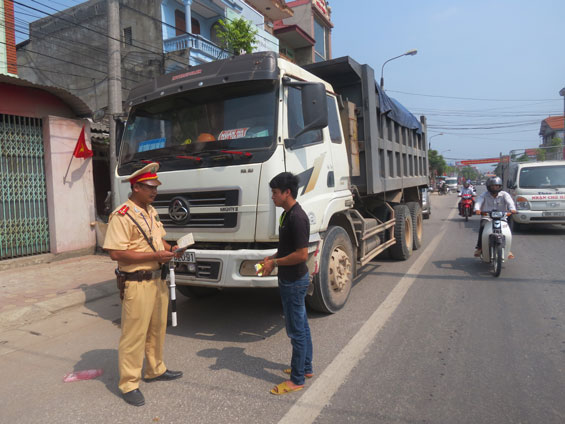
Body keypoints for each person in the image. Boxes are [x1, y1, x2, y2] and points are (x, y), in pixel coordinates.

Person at [103, 162, 183, 406]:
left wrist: (173, 249)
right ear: (136, 187)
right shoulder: (122, 215)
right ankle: (129, 383)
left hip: (157, 280)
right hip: (137, 283)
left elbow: (158, 242)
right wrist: (155, 257)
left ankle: (155, 369)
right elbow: (116, 253)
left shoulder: (151, 212)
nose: (155, 191)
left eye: (156, 186)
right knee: (133, 335)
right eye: (150, 187)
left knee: (157, 328)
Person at [259, 172, 313, 395]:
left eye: (274, 193)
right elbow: (286, 249)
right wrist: (271, 259)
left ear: (286, 193)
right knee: (302, 326)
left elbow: (301, 255)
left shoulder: (297, 218)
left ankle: (297, 379)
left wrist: (276, 263)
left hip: (294, 281)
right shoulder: (285, 215)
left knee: (296, 331)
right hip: (290, 279)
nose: (272, 197)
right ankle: (306, 368)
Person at [473, 176, 517, 258]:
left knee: (507, 231)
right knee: (482, 226)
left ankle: (508, 249)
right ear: (488, 187)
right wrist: (477, 209)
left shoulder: (504, 194)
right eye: (492, 186)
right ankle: (479, 247)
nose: (494, 187)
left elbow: (510, 203)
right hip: (488, 217)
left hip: (502, 217)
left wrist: (512, 209)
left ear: (500, 186)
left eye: (497, 185)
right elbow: (478, 202)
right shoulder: (484, 195)